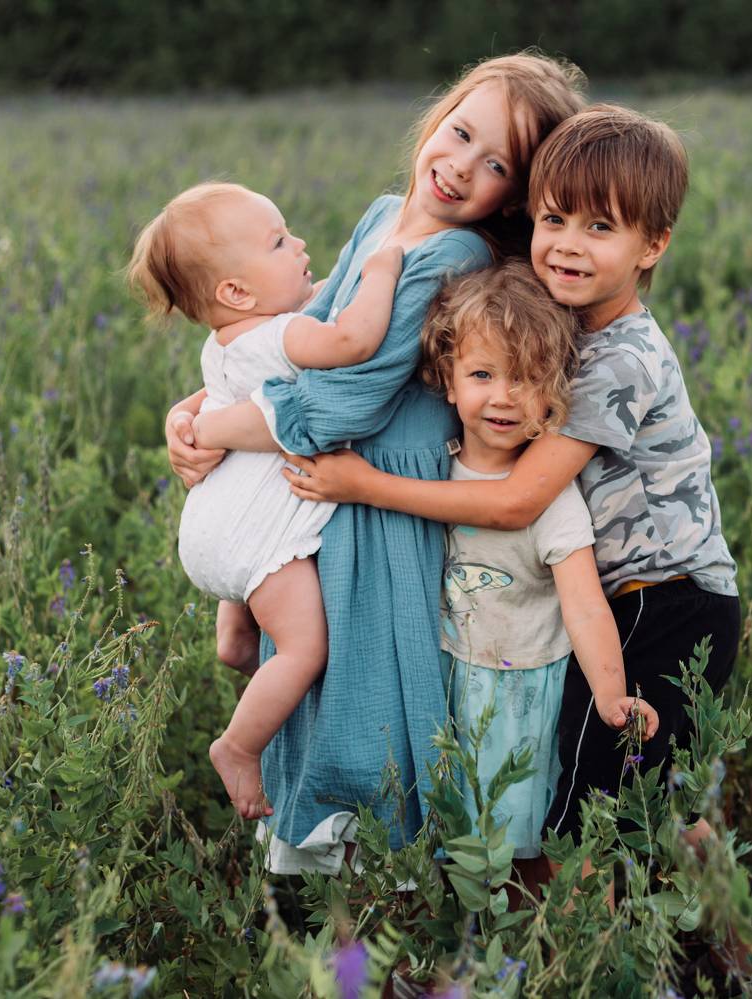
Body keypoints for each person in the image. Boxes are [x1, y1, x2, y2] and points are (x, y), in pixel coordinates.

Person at [164, 53, 586, 873]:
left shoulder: (454, 257)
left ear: (513, 196)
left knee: (366, 677)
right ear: (436, 120)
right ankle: (319, 867)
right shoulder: (385, 215)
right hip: (327, 480)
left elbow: (344, 402)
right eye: (459, 134)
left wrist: (219, 427)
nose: (461, 166)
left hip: (381, 490)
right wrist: (197, 408)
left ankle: (376, 869)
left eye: (497, 165)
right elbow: (303, 332)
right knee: (315, 667)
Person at [285, 105, 741, 852]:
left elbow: (519, 500)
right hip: (613, 599)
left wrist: (364, 484)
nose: (568, 244)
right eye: (554, 219)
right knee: (646, 798)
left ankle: (619, 928)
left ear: (654, 244)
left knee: (588, 817)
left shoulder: (621, 360)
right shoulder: (560, 322)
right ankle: (736, 925)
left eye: (601, 227)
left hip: (664, 601)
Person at [127, 181, 404, 820]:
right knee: (305, 648)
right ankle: (239, 746)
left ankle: (238, 649)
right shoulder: (282, 336)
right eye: (280, 242)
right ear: (236, 292)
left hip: (211, 525)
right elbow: (353, 342)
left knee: (243, 645)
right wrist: (382, 271)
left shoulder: (224, 342)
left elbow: (218, 395)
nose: (300, 244)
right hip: (256, 538)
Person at [419, 260, 657, 871]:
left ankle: (528, 938)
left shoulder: (551, 500)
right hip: (446, 679)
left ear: (556, 394)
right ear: (448, 380)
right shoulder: (430, 470)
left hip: (522, 694)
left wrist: (611, 695)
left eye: (527, 378)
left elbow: (584, 605)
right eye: (482, 374)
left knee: (521, 846)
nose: (503, 396)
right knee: (449, 846)